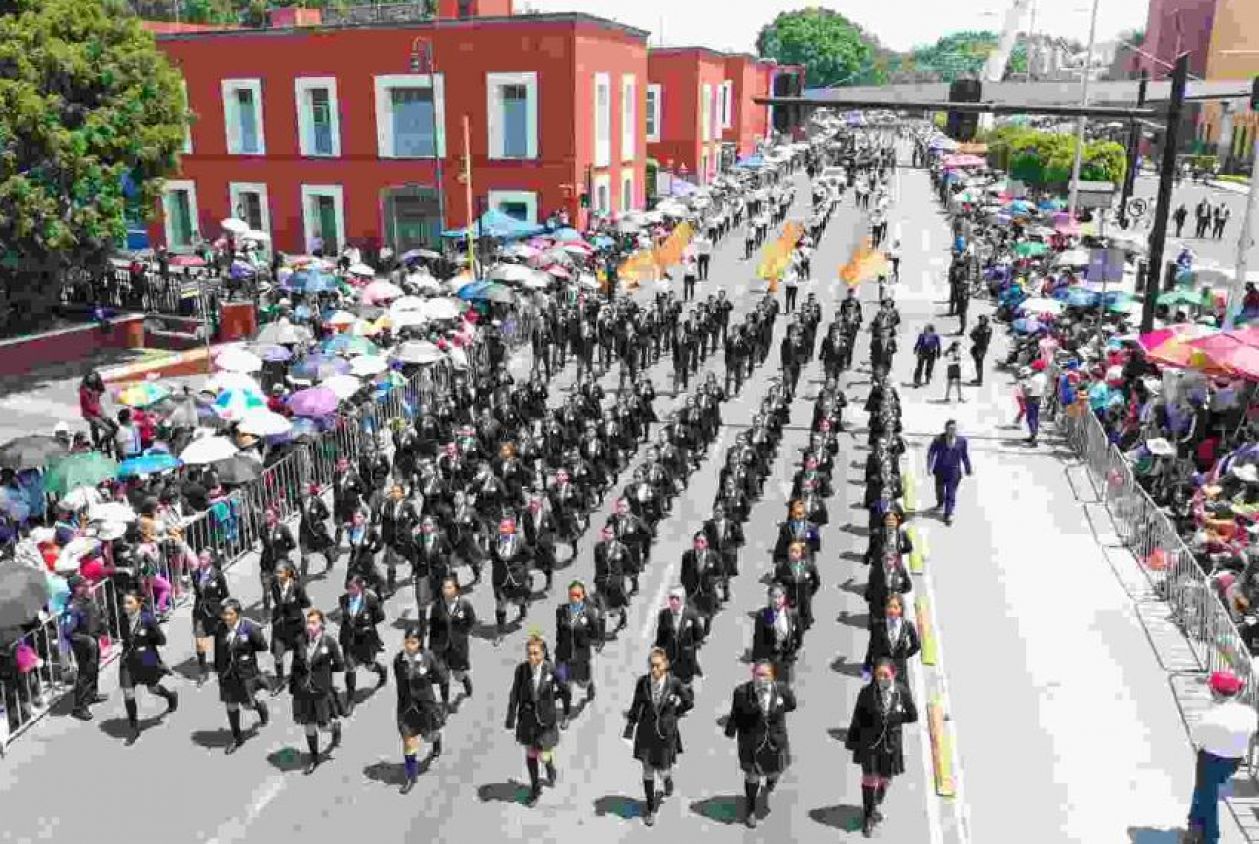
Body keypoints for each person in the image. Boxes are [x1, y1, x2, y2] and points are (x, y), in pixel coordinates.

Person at [845, 657, 919, 838]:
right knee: (869, 779)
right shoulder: (866, 693)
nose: (882, 679)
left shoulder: (902, 692)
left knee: (886, 778)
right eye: (879, 676)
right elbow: (858, 718)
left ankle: (880, 792)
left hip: (891, 745)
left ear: (893, 674)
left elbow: (912, 715)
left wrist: (896, 717)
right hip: (869, 744)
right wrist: (853, 743)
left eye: (886, 675)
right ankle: (868, 816)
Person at [623, 647, 696, 827]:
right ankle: (649, 807)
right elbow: (636, 705)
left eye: (657, 665)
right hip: (646, 733)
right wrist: (630, 727)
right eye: (651, 666)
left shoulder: (674, 683)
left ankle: (667, 779)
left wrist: (674, 715)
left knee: (663, 770)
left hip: (665, 734)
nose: (654, 670)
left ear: (666, 665)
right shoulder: (643, 683)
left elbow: (688, 702)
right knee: (647, 770)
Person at [723, 659, 797, 828]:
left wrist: (780, 705)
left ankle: (771, 781)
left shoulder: (782, 690)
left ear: (772, 677)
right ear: (753, 674)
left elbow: (792, 704)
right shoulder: (742, 692)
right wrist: (730, 731)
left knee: (774, 773)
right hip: (751, 742)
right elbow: (735, 714)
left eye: (766, 675)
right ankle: (750, 810)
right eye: (759, 675)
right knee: (752, 776)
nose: (762, 679)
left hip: (775, 742)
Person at [1185, 671, 1257, 843]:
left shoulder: (1209, 716)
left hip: (1210, 759)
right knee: (1203, 791)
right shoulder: (1249, 714)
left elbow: (1196, 739)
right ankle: (1194, 823)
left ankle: (1209, 837)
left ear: (1215, 692)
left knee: (1208, 798)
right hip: (1235, 760)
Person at [505, 634, 571, 807]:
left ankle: (549, 767)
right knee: (530, 753)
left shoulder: (551, 669)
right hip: (527, 720)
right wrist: (511, 717)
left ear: (543, 653)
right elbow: (514, 694)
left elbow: (565, 689)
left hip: (545, 721)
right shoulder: (521, 670)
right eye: (529, 653)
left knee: (543, 755)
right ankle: (535, 789)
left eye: (535, 653)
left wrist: (563, 710)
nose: (532, 657)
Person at [116, 589, 178, 743]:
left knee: (153, 688)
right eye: (124, 603)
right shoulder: (123, 619)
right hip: (128, 659)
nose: (125, 606)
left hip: (147, 657)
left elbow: (161, 640)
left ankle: (171, 697)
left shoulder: (147, 619)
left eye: (130, 603)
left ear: (139, 603)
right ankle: (133, 727)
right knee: (128, 692)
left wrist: (148, 639)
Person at [394, 623, 449, 794]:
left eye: (413, 642)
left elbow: (443, 677)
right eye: (407, 642)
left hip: (425, 705)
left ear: (420, 643)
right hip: (407, 707)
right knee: (409, 742)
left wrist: (443, 701)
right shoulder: (398, 660)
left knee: (428, 737)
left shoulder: (428, 657)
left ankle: (436, 739)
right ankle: (411, 776)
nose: (410, 646)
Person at [289, 608, 344, 775]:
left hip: (320, 691)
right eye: (308, 622)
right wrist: (293, 686)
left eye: (313, 622)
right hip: (303, 691)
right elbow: (295, 665)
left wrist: (324, 674)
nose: (309, 625)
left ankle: (335, 728)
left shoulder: (329, 643)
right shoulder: (300, 641)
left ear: (321, 624)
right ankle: (314, 757)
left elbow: (340, 665)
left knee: (323, 726)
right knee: (308, 726)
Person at [214, 598, 270, 754]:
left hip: (246, 674)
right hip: (227, 674)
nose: (226, 618)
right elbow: (218, 650)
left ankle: (260, 707)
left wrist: (248, 650)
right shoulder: (220, 628)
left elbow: (263, 646)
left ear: (237, 615)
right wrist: (218, 669)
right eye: (224, 614)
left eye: (229, 614)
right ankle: (237, 737)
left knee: (247, 705)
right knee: (231, 705)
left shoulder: (249, 628)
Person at [554, 580, 604, 726]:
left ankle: (589, 685)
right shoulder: (561, 611)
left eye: (577, 595)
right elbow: (559, 631)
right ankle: (566, 715)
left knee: (583, 683)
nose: (574, 598)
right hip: (564, 657)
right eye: (571, 595)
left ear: (582, 596)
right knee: (565, 687)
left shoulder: (589, 613)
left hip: (581, 657)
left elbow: (595, 635)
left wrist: (585, 642)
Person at [422, 575, 476, 708]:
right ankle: (445, 703)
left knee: (458, 675)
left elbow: (471, 621)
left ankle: (465, 682)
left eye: (449, 587)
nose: (446, 590)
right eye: (444, 588)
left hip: (458, 647)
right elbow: (433, 628)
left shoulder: (465, 605)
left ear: (456, 589)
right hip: (441, 647)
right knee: (443, 677)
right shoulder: (436, 607)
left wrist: (463, 634)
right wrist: (431, 650)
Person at [337, 575, 387, 716]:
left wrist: (367, 625)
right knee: (349, 666)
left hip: (365, 640)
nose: (349, 591)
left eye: (352, 588)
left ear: (360, 587)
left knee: (369, 666)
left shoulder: (370, 599)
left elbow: (380, 616)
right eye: (348, 588)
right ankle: (351, 700)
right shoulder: (343, 600)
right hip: (348, 639)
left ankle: (381, 670)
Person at [63, 575, 106, 721]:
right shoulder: (73, 606)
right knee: (85, 673)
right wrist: (88, 640)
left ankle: (92, 694)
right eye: (83, 585)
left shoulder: (86, 598)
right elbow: (68, 632)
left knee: (93, 669)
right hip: (84, 644)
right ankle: (79, 707)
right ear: (77, 588)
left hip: (93, 639)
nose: (87, 586)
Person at [926, 420, 972, 526]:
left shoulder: (962, 441)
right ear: (946, 429)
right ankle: (940, 502)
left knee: (951, 493)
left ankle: (948, 514)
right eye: (950, 429)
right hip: (940, 471)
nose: (952, 431)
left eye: (954, 429)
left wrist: (968, 468)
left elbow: (964, 456)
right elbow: (931, 453)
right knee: (939, 490)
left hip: (954, 472)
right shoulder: (938, 440)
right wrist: (929, 467)